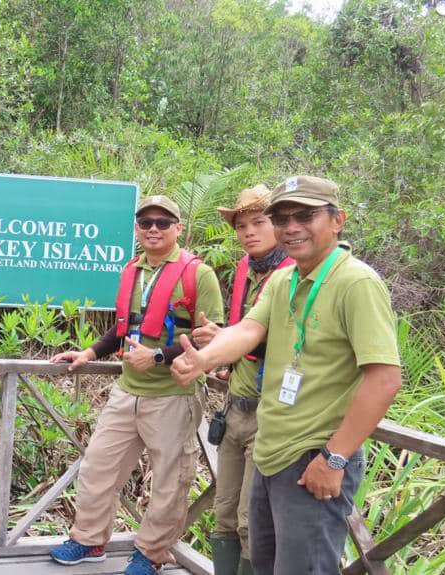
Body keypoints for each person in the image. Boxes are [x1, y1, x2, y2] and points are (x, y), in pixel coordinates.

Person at [171, 176, 402, 575]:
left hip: (314, 456)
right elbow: (248, 330)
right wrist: (202, 359)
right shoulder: (285, 278)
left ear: (338, 220)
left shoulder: (356, 282)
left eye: (305, 216)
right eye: (281, 218)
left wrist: (334, 458)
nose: (291, 227)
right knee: (265, 564)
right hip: (270, 451)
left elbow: (384, 379)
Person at [47, 195, 223, 575]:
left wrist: (157, 357)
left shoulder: (199, 274)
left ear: (178, 228)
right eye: (146, 223)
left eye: (163, 222)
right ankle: (89, 540)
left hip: (173, 394)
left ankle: (152, 553)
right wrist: (89, 353)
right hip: (127, 391)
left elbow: (211, 338)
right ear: (137, 229)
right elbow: (124, 327)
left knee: (170, 481)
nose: (153, 229)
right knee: (98, 467)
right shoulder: (133, 270)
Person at [193, 185, 293, 575]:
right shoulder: (246, 269)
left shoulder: (296, 275)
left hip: (271, 415)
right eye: (241, 225)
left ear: (278, 224)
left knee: (253, 521)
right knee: (224, 514)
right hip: (235, 407)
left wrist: (225, 340)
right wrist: (224, 347)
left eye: (259, 222)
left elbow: (295, 347)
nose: (249, 232)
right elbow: (243, 331)